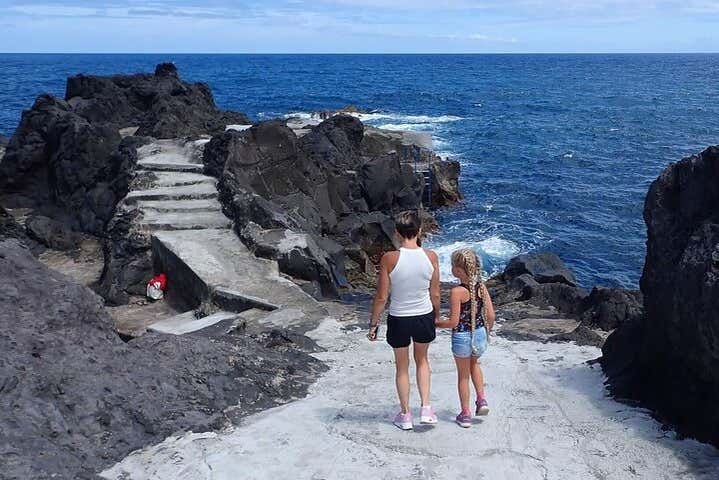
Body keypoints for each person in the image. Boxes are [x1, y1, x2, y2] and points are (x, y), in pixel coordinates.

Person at [368, 210, 441, 430]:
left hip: (399, 317)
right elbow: (435, 293)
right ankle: (426, 408)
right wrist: (436, 316)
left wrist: (373, 324)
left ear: (398, 233)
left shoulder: (389, 258)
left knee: (401, 367)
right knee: (423, 361)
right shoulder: (431, 256)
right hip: (423, 315)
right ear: (419, 230)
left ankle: (406, 414)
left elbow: (382, 296)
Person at [435, 248, 496, 428]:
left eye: (453, 265)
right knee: (475, 365)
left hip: (462, 337)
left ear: (459, 270)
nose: (451, 268)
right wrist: (486, 333)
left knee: (463, 376)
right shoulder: (481, 287)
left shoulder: (457, 292)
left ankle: (465, 413)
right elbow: (491, 315)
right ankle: (481, 400)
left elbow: (454, 322)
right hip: (479, 334)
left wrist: (436, 323)